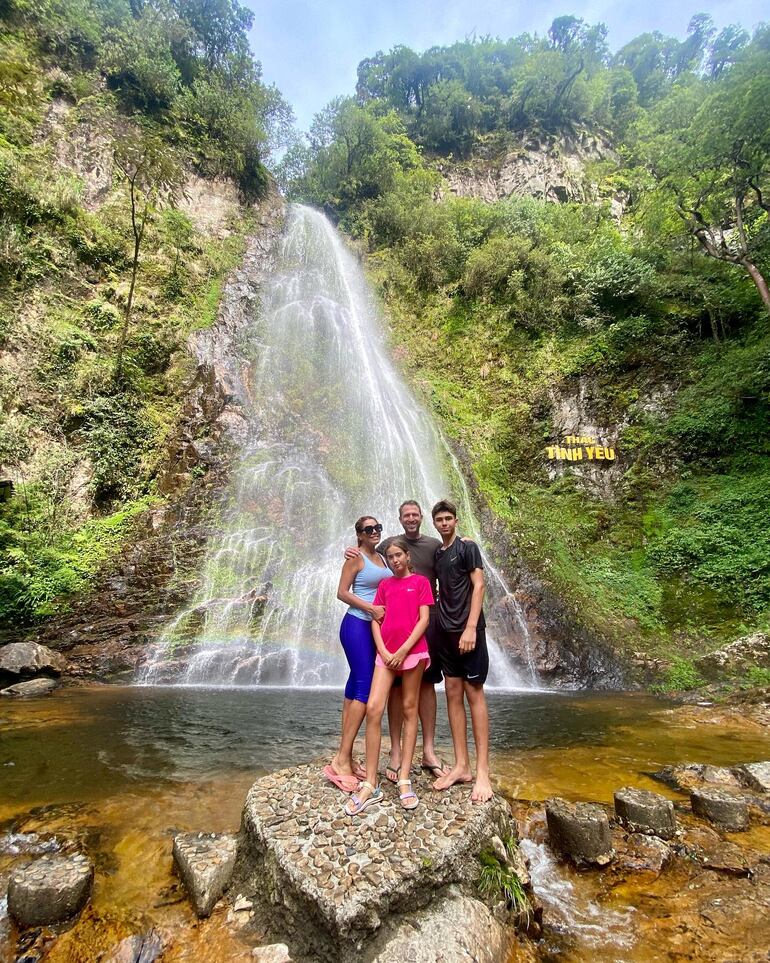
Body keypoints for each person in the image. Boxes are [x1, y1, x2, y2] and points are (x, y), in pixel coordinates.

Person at [344, 500, 449, 782]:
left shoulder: (434, 545)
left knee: (424, 687)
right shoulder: (386, 547)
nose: (411, 518)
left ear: (422, 517)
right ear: (400, 519)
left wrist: (464, 540)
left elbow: (452, 550)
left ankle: (427, 751)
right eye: (406, 515)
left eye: (415, 514)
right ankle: (391, 753)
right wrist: (352, 549)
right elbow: (365, 555)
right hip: (387, 633)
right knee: (390, 690)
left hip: (425, 625)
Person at [345, 539, 433, 815]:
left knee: (409, 709)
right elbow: (375, 618)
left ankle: (404, 779)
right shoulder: (384, 585)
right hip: (385, 655)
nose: (394, 560)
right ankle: (370, 782)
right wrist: (383, 650)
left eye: (399, 555)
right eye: (391, 556)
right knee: (373, 708)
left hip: (413, 654)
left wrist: (404, 649)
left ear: (407, 557)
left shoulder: (420, 582)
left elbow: (424, 620)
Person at [430, 499, 493, 804]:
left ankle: (482, 772)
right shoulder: (438, 553)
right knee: (452, 692)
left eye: (448, 518)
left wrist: (470, 627)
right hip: (444, 633)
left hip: (469, 633)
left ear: (456, 521)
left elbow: (479, 586)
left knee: (474, 693)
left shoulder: (468, 548)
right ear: (435, 524)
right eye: (439, 519)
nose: (444, 523)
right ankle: (461, 766)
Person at [325, 515, 390, 793]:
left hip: (372, 628)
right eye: (368, 529)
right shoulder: (356, 557)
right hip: (357, 625)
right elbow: (342, 592)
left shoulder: (383, 557)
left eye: (377, 528)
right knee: (364, 687)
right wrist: (372, 609)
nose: (374, 532)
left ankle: (347, 755)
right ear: (359, 535)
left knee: (353, 687)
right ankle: (341, 760)